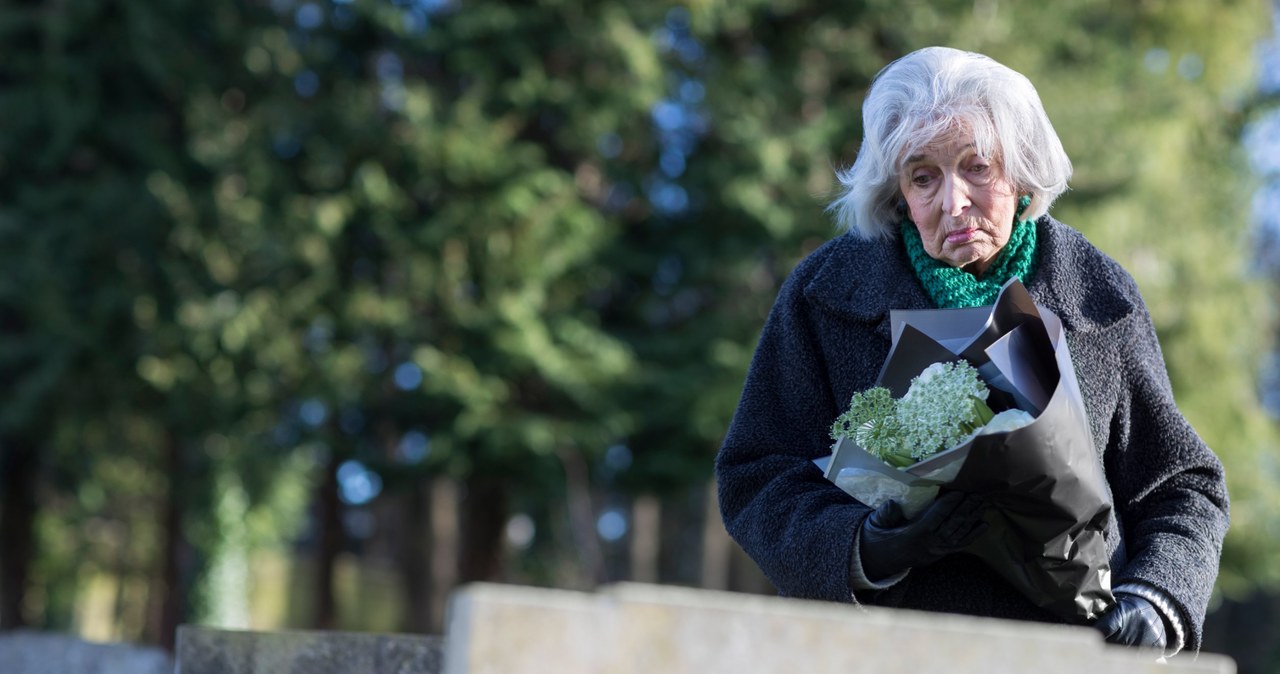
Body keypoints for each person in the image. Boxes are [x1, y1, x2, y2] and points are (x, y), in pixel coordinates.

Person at [715, 46, 1228, 656]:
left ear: (1021, 169)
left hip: (1066, 655)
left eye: (976, 167)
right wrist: (865, 547)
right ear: (896, 191)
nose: (952, 202)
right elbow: (757, 474)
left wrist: (1156, 598)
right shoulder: (824, 293)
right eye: (923, 176)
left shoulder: (1098, 291)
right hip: (885, 654)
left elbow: (1181, 484)